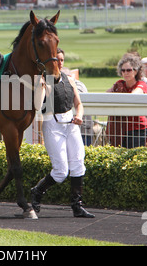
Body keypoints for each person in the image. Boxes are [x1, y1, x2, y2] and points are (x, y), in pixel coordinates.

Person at [30, 48, 95, 218]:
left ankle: (77, 206)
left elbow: (78, 104)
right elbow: (38, 106)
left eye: (62, 60)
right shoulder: (42, 80)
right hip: (53, 125)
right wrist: (41, 87)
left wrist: (79, 116)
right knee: (60, 171)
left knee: (78, 164)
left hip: (71, 124)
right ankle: (36, 192)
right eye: (56, 59)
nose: (59, 63)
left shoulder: (70, 80)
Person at [106, 53, 147, 148]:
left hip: (137, 128)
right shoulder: (119, 85)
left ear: (136, 71)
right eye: (123, 70)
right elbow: (106, 95)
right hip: (121, 128)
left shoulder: (141, 84)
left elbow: (135, 94)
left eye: (129, 70)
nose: (126, 73)